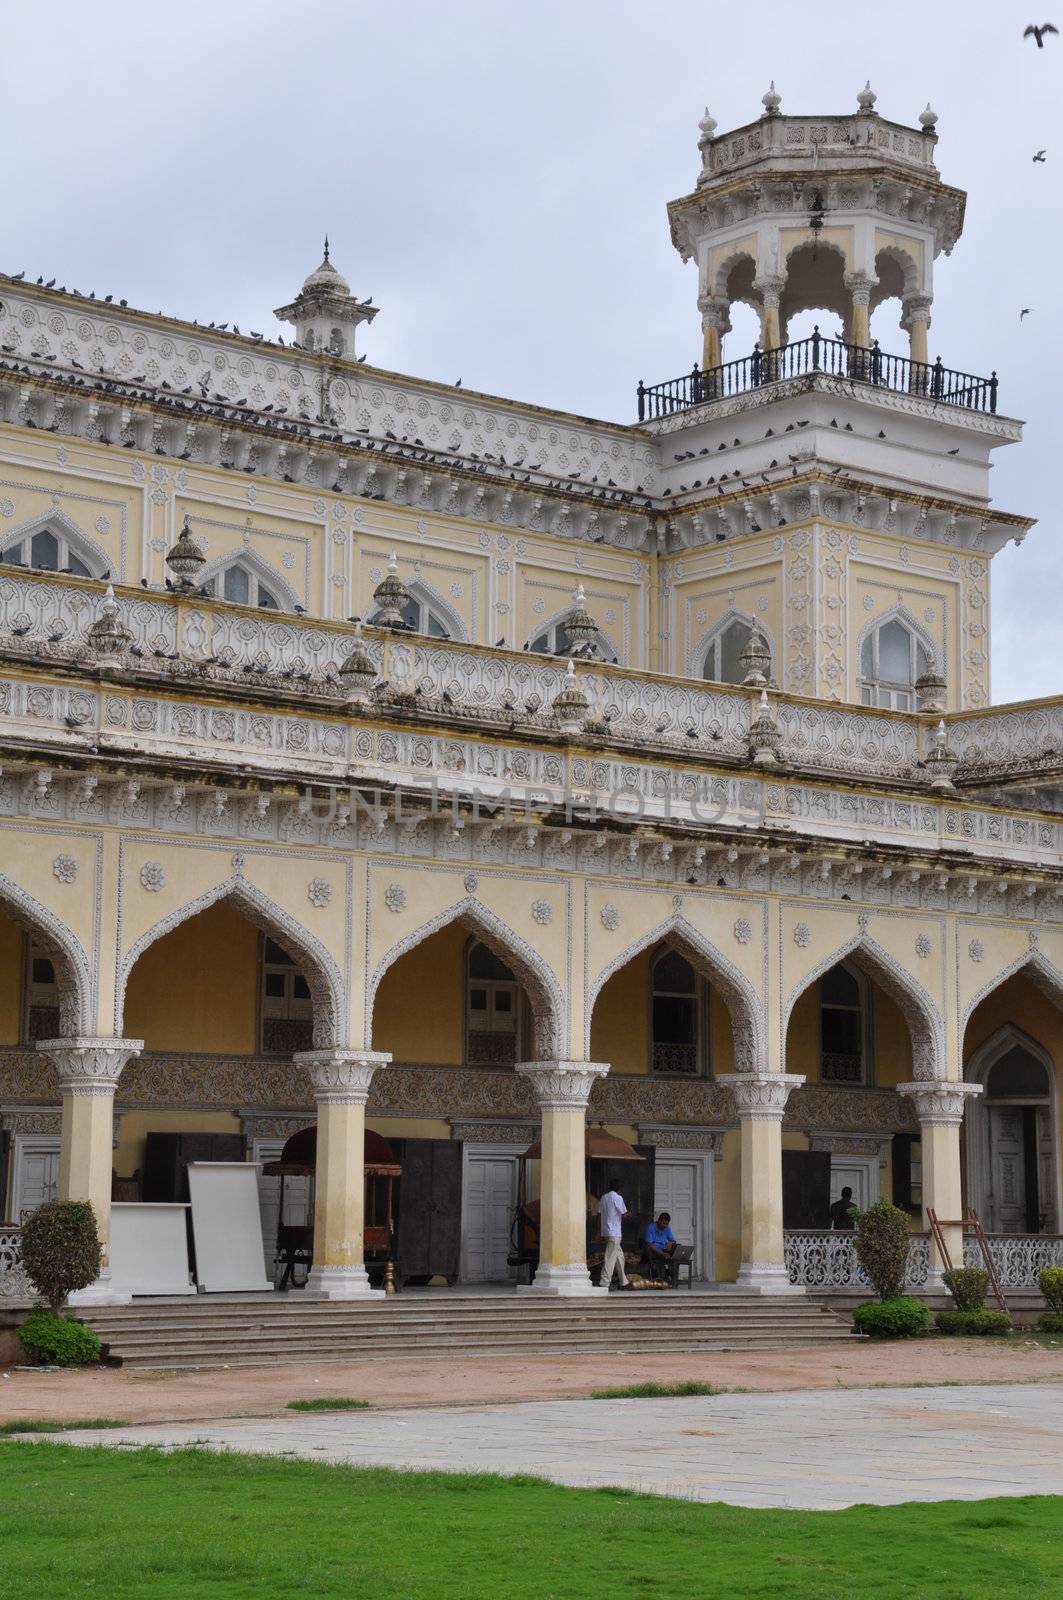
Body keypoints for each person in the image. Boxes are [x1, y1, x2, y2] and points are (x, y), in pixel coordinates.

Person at [598, 1181, 630, 1290]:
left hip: (606, 1231)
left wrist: (599, 1231)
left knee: (619, 1256)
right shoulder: (618, 1198)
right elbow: (624, 1214)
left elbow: (599, 1214)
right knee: (610, 1257)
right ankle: (604, 1282)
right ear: (620, 1189)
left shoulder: (603, 1197)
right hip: (615, 1232)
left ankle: (623, 1281)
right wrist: (630, 1214)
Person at [642, 1211, 678, 1285]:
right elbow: (650, 1244)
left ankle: (672, 1273)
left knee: (677, 1246)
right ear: (659, 1220)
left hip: (663, 1249)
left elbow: (673, 1240)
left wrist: (671, 1243)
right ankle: (655, 1271)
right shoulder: (651, 1227)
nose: (665, 1225)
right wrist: (662, 1253)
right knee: (648, 1248)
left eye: (667, 1224)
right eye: (663, 1223)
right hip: (653, 1250)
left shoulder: (667, 1228)